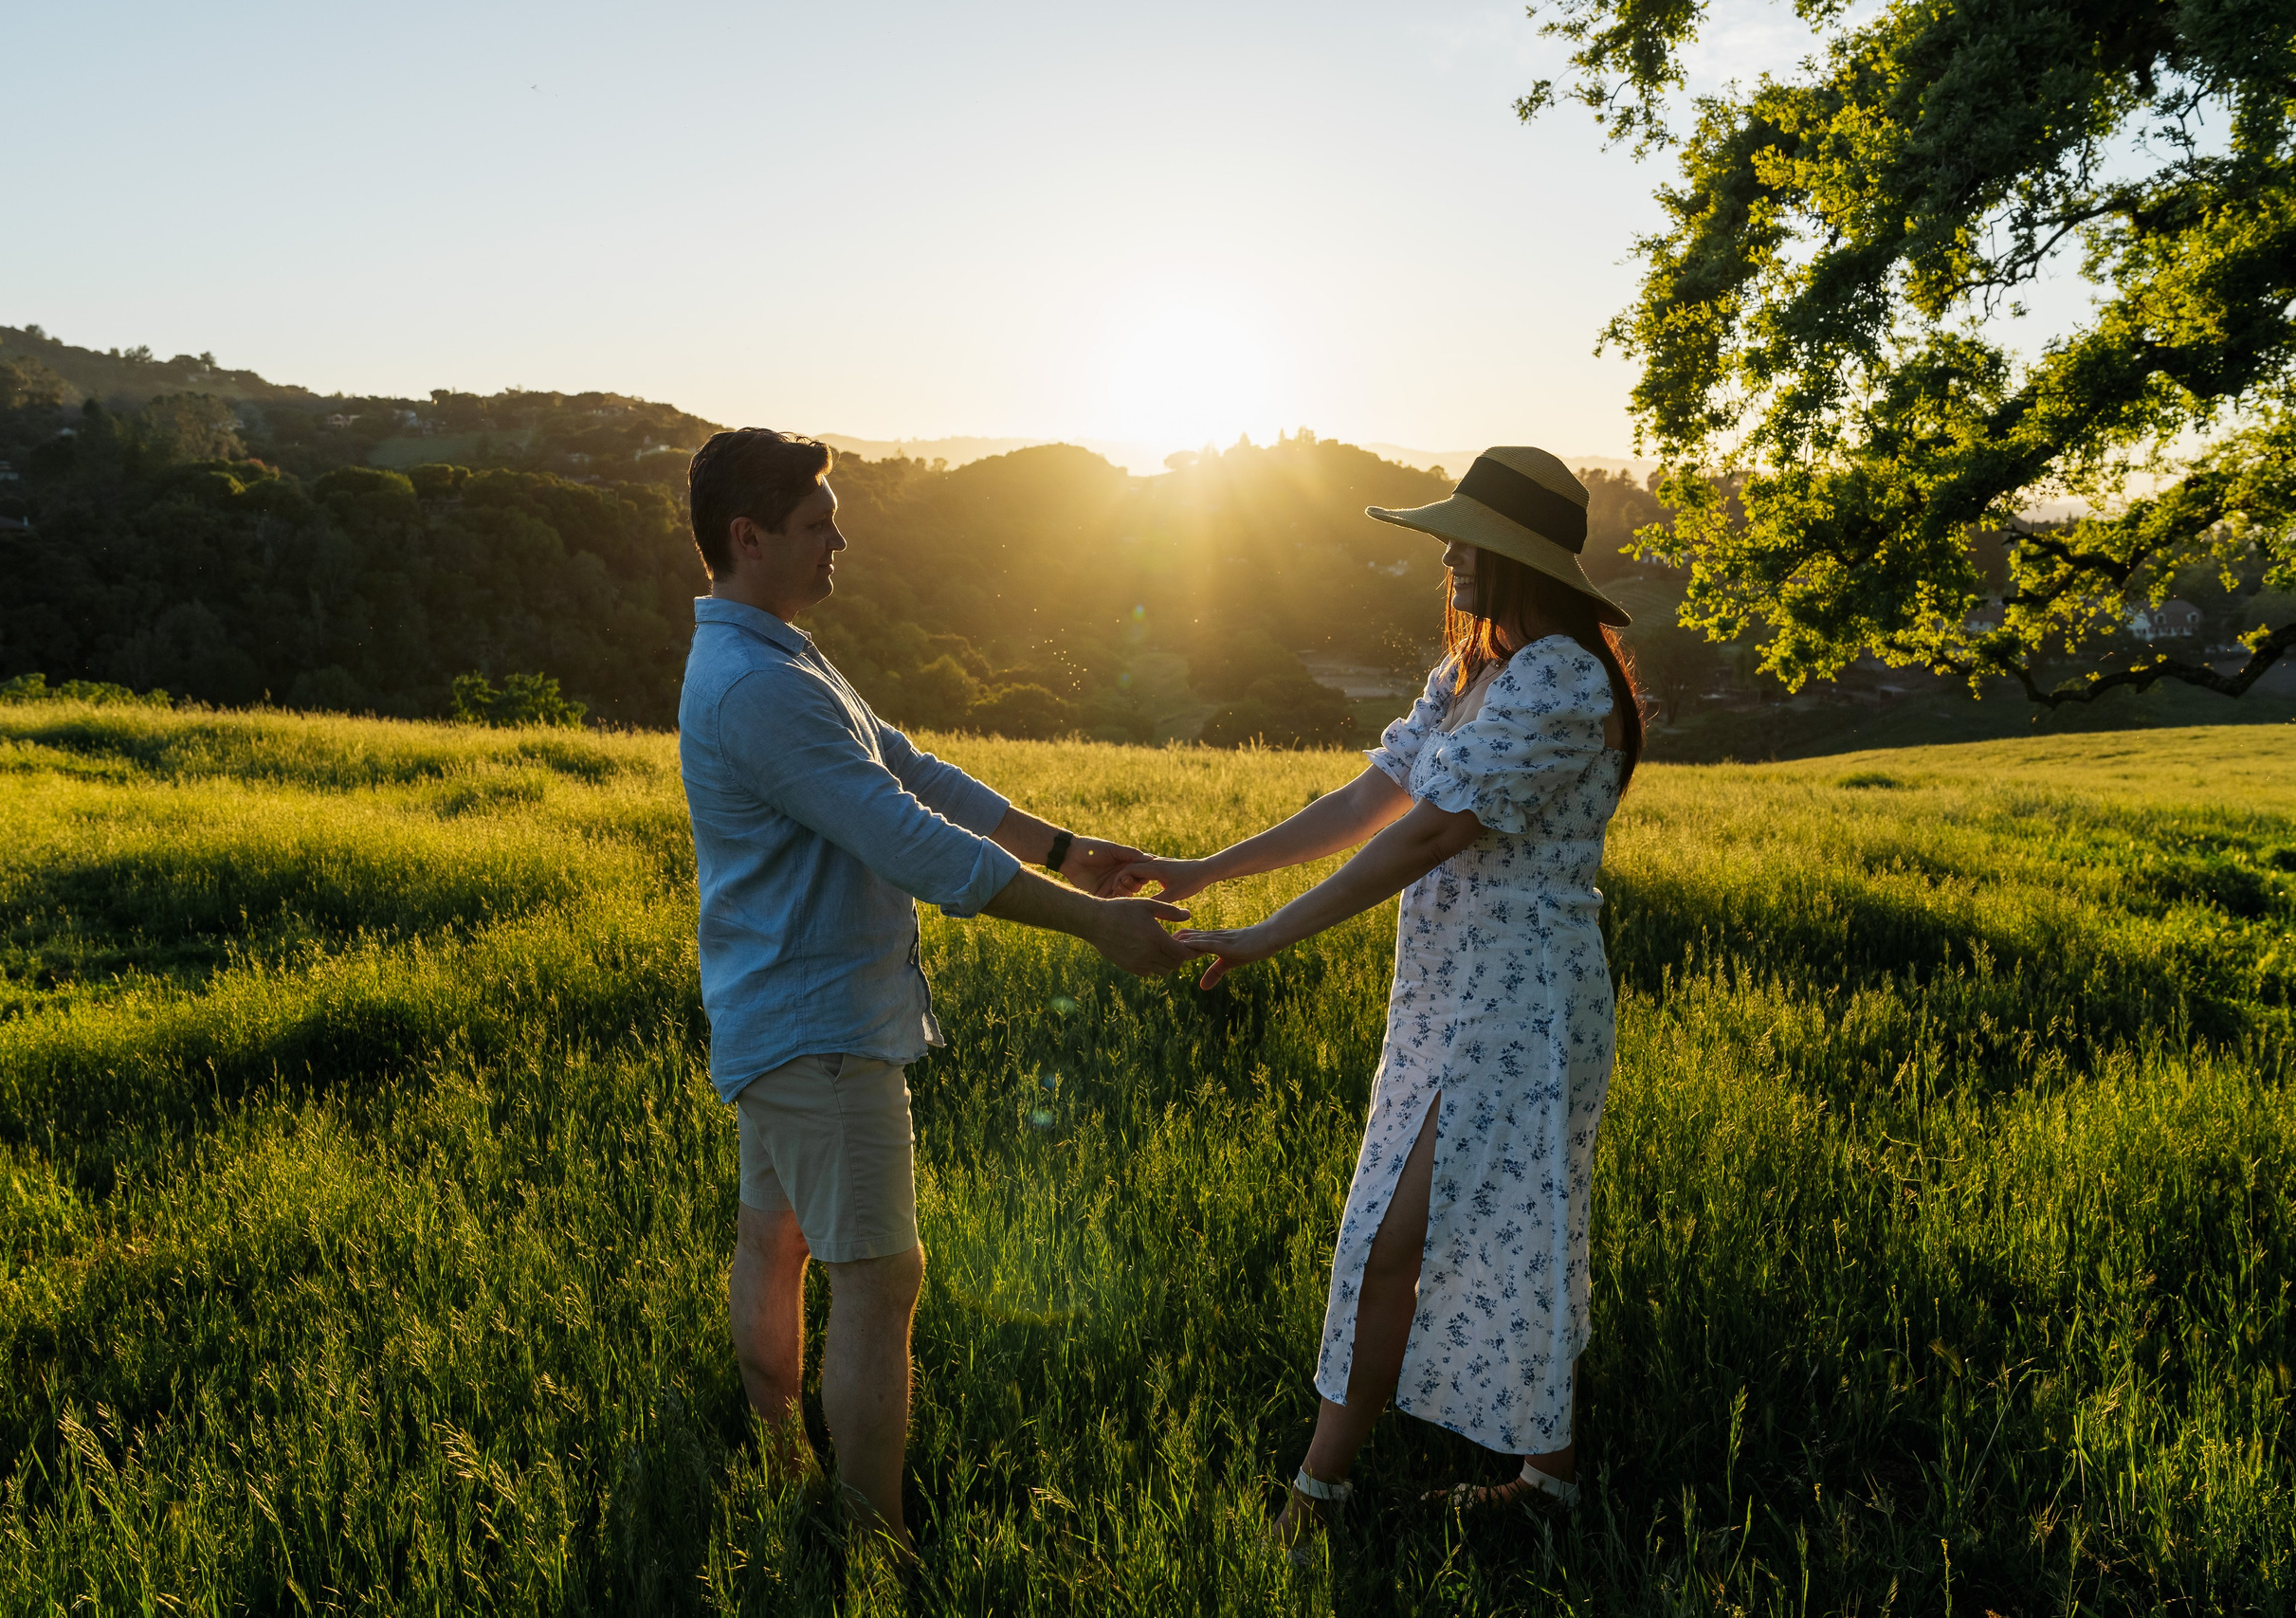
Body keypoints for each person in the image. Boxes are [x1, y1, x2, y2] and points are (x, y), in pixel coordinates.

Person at [677, 428, 1196, 1559]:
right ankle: (874, 1546)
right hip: (821, 1026)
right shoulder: (759, 685)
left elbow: (910, 768)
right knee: (878, 1278)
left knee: (775, 1239)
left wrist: (1064, 850)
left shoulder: (776, 657)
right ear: (749, 539)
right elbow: (910, 839)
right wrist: (1096, 923)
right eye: (817, 525)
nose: (840, 541)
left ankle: (780, 1463)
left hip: (780, 1010)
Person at [1121, 446, 1645, 1558]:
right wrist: (1208, 870)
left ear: (1523, 559)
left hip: (1524, 1005)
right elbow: (1373, 798)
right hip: (1448, 997)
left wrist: (1266, 936)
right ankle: (1547, 1481)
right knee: (1512, 1223)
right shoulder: (1472, 672)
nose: (1449, 556)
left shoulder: (1562, 678)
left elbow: (1428, 833)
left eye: (1470, 539)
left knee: (1400, 1239)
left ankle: (1317, 1498)